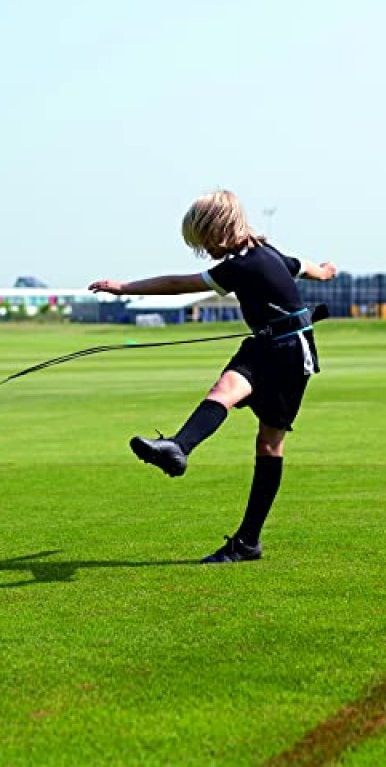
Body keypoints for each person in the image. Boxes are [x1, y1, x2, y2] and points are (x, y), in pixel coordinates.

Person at [88, 190, 337, 564]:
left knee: (269, 445)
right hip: (263, 346)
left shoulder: (243, 265)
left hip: (289, 354)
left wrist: (124, 287)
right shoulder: (267, 254)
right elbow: (304, 266)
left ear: (218, 228)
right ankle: (178, 448)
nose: (203, 249)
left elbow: (178, 284)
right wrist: (325, 271)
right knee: (224, 389)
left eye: (203, 239)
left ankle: (248, 541)